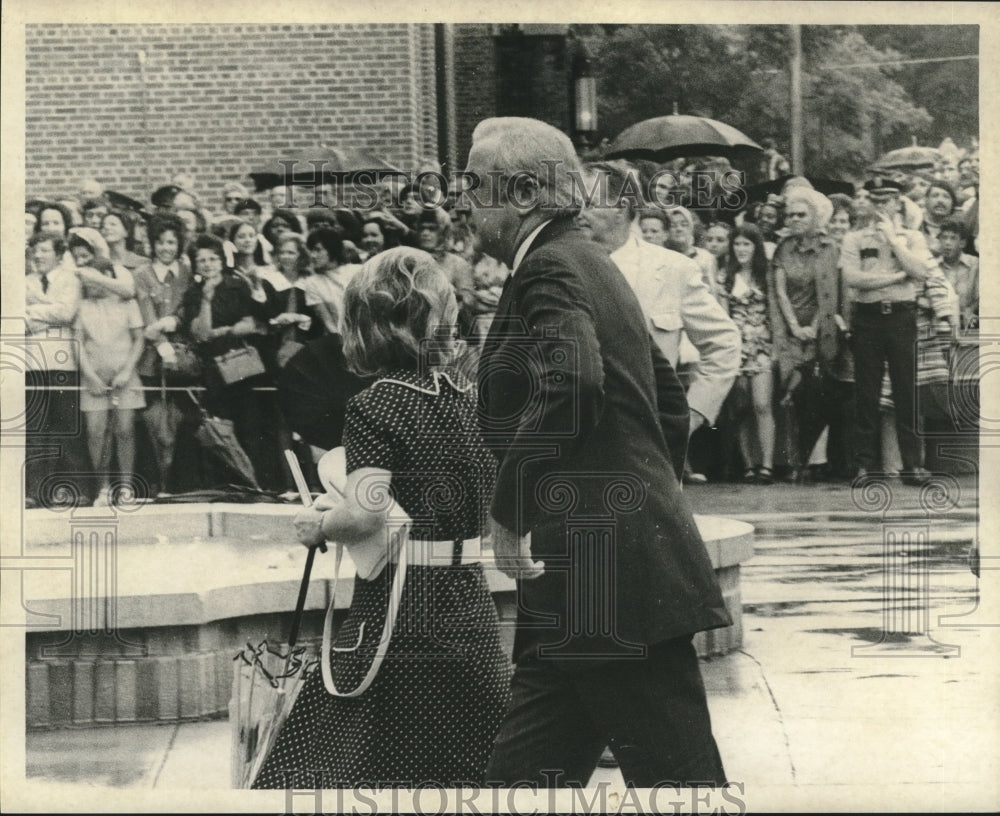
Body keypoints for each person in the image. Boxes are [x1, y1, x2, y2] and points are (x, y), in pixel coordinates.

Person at [466, 117, 729, 788]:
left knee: (682, 791)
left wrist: (512, 507)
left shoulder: (552, 266)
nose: (462, 201)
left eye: (473, 184)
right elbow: (666, 400)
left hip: (603, 583)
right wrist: (641, 498)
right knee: (520, 787)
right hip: (596, 581)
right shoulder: (591, 262)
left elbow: (575, 382)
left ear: (522, 193)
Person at [253, 247, 511, 788]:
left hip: (400, 611)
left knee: (348, 759)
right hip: (470, 607)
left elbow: (367, 513)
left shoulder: (378, 404)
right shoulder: (470, 398)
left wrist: (321, 525)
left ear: (366, 327)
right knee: (465, 758)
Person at [579, 161, 740, 486]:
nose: (577, 213)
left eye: (588, 202)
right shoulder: (561, 265)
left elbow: (724, 343)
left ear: (621, 207)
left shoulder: (671, 270)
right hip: (579, 441)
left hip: (650, 443)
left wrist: (690, 415)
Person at [840, 176, 942, 485]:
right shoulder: (855, 238)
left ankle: (912, 464)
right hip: (868, 317)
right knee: (866, 391)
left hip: (900, 317)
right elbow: (852, 279)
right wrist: (896, 278)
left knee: (905, 390)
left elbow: (921, 272)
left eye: (888, 199)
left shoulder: (912, 237)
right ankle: (864, 465)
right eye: (876, 199)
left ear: (898, 202)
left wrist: (895, 242)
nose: (882, 205)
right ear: (869, 203)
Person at [183, 234, 287, 491]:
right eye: (202, 260)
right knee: (221, 429)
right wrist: (207, 300)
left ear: (221, 261)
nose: (207, 264)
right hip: (212, 369)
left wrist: (224, 331)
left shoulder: (236, 285)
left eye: (212, 259)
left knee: (250, 425)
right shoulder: (194, 293)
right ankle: (232, 483)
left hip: (241, 365)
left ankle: (258, 485)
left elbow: (251, 324)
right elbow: (201, 334)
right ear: (195, 265)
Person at [770, 188, 850, 482]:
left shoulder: (831, 248)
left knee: (820, 396)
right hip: (790, 332)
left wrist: (814, 327)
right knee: (790, 395)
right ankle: (793, 461)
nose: (794, 219)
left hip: (822, 332)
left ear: (815, 216)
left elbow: (830, 294)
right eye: (790, 215)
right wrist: (793, 327)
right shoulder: (783, 249)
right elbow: (778, 291)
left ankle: (818, 462)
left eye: (801, 214)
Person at [69, 231, 146, 506]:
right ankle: (102, 488)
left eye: (94, 280)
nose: (90, 286)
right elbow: (77, 343)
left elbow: (139, 339)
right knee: (96, 433)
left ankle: (125, 488)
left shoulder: (127, 302)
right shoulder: (82, 306)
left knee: (125, 431)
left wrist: (127, 371)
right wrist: (89, 376)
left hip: (125, 377)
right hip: (94, 381)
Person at [24, 232, 87, 506]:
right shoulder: (23, 282)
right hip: (32, 363)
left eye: (44, 250)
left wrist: (33, 312)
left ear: (59, 255)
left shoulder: (69, 280)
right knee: (36, 428)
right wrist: (47, 313)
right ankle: (37, 491)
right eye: (35, 251)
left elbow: (66, 313)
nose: (38, 256)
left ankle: (75, 490)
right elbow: (17, 318)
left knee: (66, 427)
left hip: (63, 362)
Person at [133, 213, 193, 493]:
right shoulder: (142, 274)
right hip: (151, 358)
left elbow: (187, 308)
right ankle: (154, 480)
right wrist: (162, 345)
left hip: (182, 357)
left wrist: (175, 322)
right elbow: (146, 317)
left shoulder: (185, 272)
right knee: (153, 419)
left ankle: (178, 481)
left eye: (172, 242)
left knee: (179, 418)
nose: (166, 247)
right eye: (161, 242)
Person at [718, 224, 776, 484]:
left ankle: (767, 464)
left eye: (747, 244)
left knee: (762, 404)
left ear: (756, 247)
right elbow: (722, 315)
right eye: (737, 244)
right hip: (736, 347)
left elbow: (774, 313)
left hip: (762, 344)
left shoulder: (767, 276)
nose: (741, 249)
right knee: (740, 408)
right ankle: (748, 465)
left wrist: (777, 346)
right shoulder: (725, 277)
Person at [302, 227, 358, 335]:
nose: (313, 255)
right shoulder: (313, 283)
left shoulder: (356, 271)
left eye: (318, 250)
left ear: (332, 249)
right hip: (340, 339)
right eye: (311, 250)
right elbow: (328, 323)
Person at [920, 180, 958, 256]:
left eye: (946, 197)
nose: (940, 201)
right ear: (926, 200)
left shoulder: (958, 229)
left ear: (953, 203)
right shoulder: (915, 225)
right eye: (935, 196)